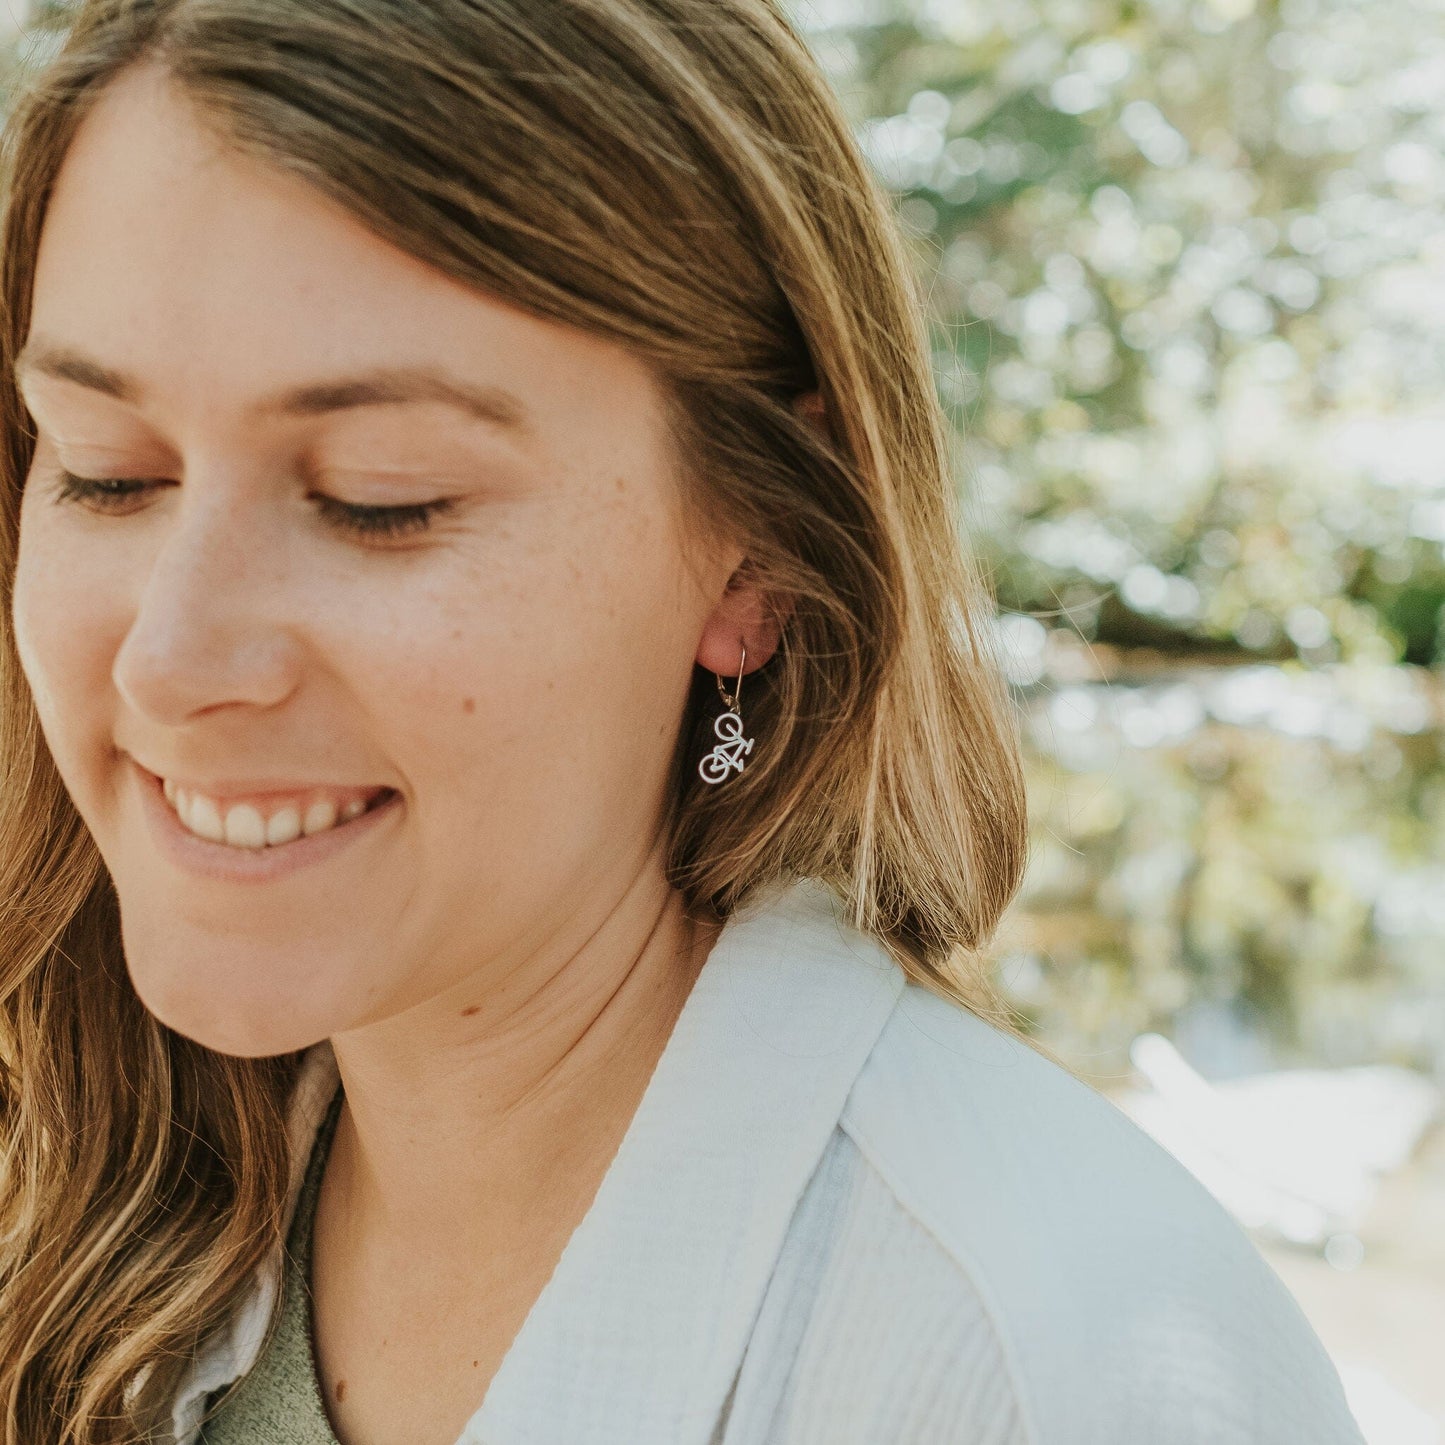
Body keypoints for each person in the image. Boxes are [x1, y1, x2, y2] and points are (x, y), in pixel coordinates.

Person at [0, 2, 1365, 1443]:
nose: (170, 660)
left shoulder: (1055, 1366)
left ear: (759, 547)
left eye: (382, 494)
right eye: (105, 472)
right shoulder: (102, 1196)